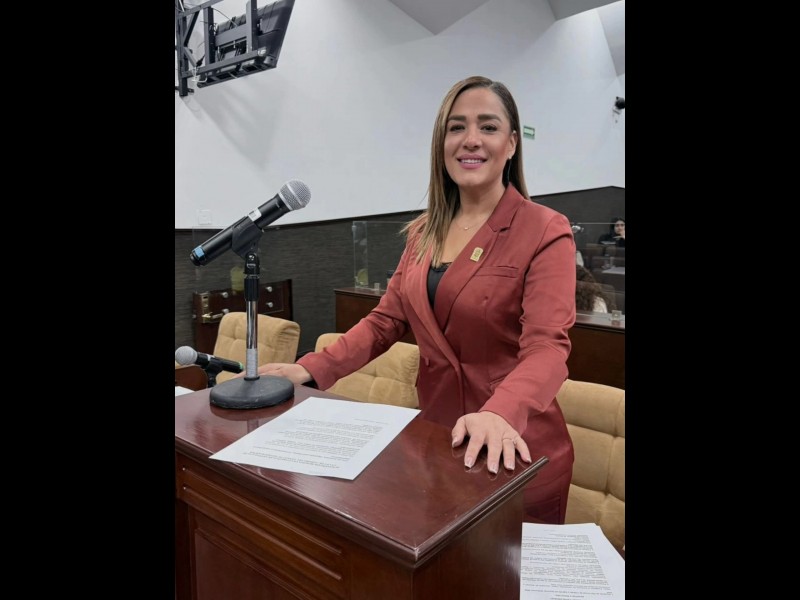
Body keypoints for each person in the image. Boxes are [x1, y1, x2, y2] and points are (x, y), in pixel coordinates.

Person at [257, 76, 577, 525]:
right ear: (441, 144)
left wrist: (500, 412)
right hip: (440, 443)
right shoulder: (424, 232)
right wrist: (312, 367)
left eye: (488, 127)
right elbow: (385, 321)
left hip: (515, 446)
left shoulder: (545, 228)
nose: (470, 139)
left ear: (511, 144)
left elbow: (547, 348)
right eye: (456, 127)